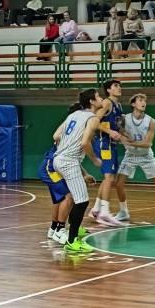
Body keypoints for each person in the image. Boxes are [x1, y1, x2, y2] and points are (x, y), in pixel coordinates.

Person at [51, 88, 104, 254]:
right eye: (98, 96)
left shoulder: (73, 115)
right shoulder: (93, 118)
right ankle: (72, 241)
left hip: (58, 159)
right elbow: (84, 143)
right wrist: (95, 159)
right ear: (92, 102)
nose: (101, 98)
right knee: (82, 201)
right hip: (68, 161)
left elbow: (56, 135)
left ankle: (69, 233)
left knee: (76, 198)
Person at [117, 93, 155, 223]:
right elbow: (119, 132)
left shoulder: (151, 121)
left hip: (146, 156)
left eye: (145, 100)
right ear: (133, 104)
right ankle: (123, 212)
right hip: (130, 155)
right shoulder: (124, 118)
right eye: (140, 100)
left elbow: (148, 143)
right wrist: (123, 138)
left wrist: (131, 142)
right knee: (118, 184)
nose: (143, 102)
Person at [39, 138, 96, 245]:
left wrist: (85, 174)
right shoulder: (75, 137)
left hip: (56, 167)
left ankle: (54, 229)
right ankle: (59, 230)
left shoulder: (76, 136)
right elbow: (56, 137)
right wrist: (94, 160)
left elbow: (74, 161)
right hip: (51, 167)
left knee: (60, 200)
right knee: (69, 196)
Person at [89, 79, 126, 227]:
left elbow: (117, 126)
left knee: (109, 178)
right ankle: (104, 211)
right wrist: (109, 131)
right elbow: (93, 121)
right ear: (109, 90)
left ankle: (96, 209)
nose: (119, 88)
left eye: (120, 85)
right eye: (116, 86)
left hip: (112, 144)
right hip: (104, 143)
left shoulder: (119, 106)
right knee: (109, 177)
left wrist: (124, 137)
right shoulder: (107, 103)